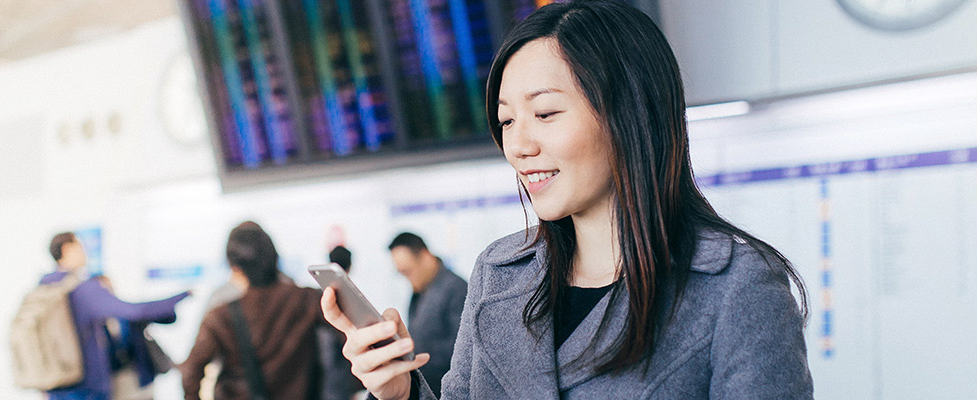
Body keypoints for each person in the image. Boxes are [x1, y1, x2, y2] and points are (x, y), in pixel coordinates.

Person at [321, 2, 812, 399]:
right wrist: (399, 391)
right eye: (508, 120)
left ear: (629, 113)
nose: (518, 145)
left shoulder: (737, 286)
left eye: (546, 112)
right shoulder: (499, 273)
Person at [180, 221, 328, 400]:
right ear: (274, 257)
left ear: (234, 266)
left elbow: (190, 373)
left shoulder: (220, 315)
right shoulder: (308, 299)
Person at [40, 232, 189, 400]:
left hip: (58, 384)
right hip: (86, 388)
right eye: (80, 246)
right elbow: (136, 311)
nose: (85, 252)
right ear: (67, 249)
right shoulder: (82, 290)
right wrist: (183, 295)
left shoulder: (44, 290)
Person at [386, 234, 465, 397]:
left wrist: (412, 353)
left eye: (407, 271)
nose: (406, 278)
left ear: (426, 257)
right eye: (401, 272)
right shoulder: (420, 289)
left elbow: (461, 349)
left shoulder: (456, 289)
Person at [319, 246, 363, 400]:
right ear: (350, 266)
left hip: (320, 380)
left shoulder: (317, 296)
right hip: (340, 379)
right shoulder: (351, 300)